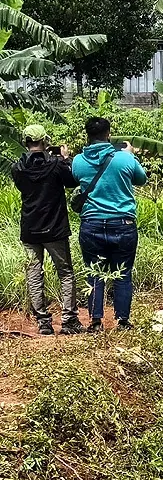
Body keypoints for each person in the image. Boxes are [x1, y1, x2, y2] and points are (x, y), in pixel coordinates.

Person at [72, 117, 147, 332]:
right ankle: (122, 321)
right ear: (108, 134)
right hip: (123, 224)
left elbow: (76, 178)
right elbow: (141, 180)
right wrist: (130, 155)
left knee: (94, 272)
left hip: (91, 224)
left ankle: (95, 322)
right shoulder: (124, 158)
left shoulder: (78, 161)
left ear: (87, 135)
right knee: (123, 273)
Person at [11, 124, 83, 335]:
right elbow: (71, 182)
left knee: (34, 274)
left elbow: (24, 185)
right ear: (45, 142)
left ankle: (43, 322)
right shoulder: (56, 165)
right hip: (55, 229)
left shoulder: (17, 168)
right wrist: (65, 158)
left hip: (30, 230)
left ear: (26, 143)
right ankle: (69, 320)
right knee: (65, 273)